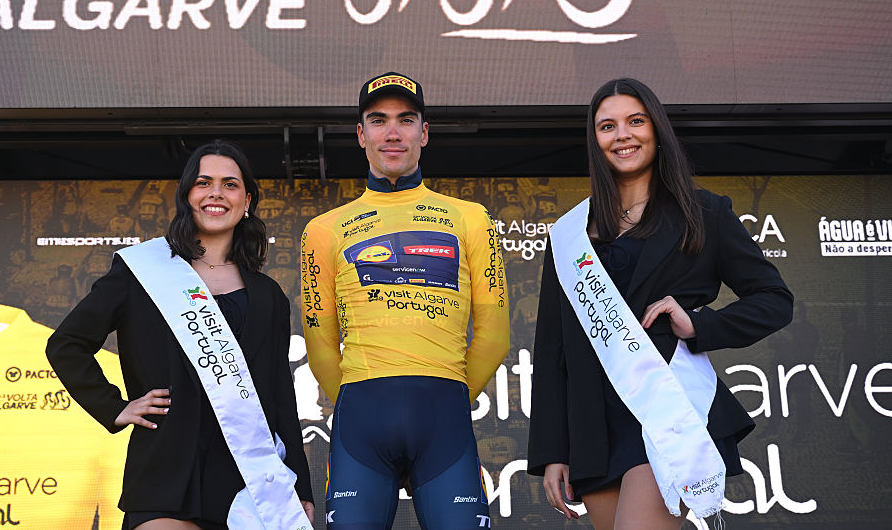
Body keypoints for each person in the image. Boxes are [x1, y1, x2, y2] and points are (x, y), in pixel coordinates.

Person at [527, 79, 793, 529]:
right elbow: (553, 350)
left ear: (656, 129)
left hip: (668, 413)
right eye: (607, 126)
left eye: (636, 121)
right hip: (595, 429)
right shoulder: (570, 235)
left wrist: (698, 325)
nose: (622, 135)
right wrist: (553, 451)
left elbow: (775, 300)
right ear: (595, 139)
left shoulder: (704, 213)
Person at [47, 140, 314, 530]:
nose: (216, 193)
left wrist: (300, 488)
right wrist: (114, 407)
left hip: (248, 481)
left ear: (247, 201)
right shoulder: (142, 272)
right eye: (203, 183)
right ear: (187, 195)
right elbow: (66, 344)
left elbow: (280, 396)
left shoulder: (268, 295)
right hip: (166, 469)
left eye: (230, 184)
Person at [300, 72, 510, 529]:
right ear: (361, 135)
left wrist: (446, 401)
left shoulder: (472, 219)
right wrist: (362, 403)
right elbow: (320, 346)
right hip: (361, 425)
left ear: (424, 133)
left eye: (406, 120)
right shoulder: (322, 230)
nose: (392, 133)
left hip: (444, 422)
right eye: (378, 120)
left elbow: (494, 337)